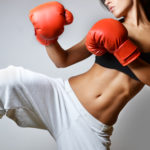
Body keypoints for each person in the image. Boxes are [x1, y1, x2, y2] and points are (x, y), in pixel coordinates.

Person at [0, 0, 150, 150]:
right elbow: (63, 60)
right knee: (7, 79)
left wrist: (123, 49)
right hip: (60, 98)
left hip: (91, 129)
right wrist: (48, 39)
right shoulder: (108, 26)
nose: (107, 2)